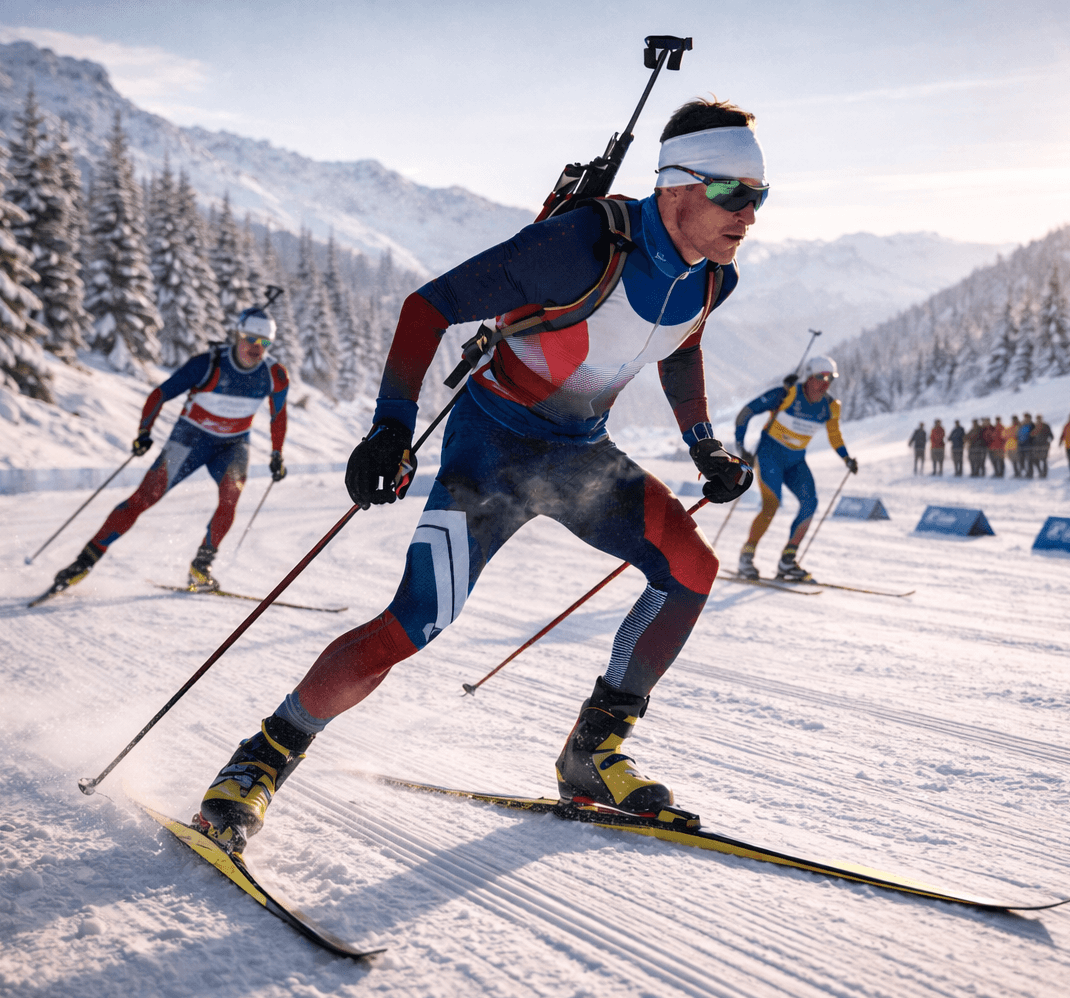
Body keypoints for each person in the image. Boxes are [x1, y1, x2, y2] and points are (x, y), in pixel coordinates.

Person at [194, 100, 763, 851]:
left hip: (579, 455)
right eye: (733, 192)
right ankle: (263, 757)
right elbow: (429, 306)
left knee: (690, 569)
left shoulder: (713, 277)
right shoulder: (581, 246)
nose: (748, 213)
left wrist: (703, 444)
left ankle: (592, 756)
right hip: (492, 450)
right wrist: (391, 427)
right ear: (678, 185)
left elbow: (680, 343)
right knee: (415, 622)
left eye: (759, 197)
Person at [45, 308, 290, 597]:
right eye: (250, 339)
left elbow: (279, 416)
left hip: (233, 445)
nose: (256, 348)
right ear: (238, 335)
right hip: (190, 440)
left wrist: (277, 454)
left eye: (264, 342)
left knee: (230, 498)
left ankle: (201, 567)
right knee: (142, 499)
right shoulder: (208, 364)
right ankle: (83, 563)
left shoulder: (274, 375)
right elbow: (160, 394)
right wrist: (144, 433)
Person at [736, 354, 857, 582]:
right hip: (769, 456)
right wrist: (742, 448)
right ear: (808, 377)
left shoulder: (830, 406)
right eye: (820, 377)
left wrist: (846, 458)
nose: (825, 383)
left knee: (810, 503)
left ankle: (787, 560)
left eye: (830, 378)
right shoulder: (787, 394)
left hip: (795, 462)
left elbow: (834, 435)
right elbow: (746, 413)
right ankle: (746, 556)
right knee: (771, 505)